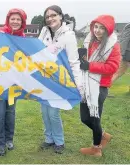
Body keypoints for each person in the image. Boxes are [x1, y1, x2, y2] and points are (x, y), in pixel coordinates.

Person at [38, 5, 83, 154]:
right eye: (47, 17)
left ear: (60, 16)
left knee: (53, 113)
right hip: (45, 79)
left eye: (53, 15)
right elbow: (38, 52)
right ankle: (48, 139)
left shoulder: (68, 35)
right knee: (44, 111)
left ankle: (59, 141)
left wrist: (79, 85)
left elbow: (73, 61)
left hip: (59, 80)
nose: (50, 19)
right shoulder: (44, 31)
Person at [79, 15, 121, 157]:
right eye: (96, 26)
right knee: (84, 118)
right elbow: (86, 61)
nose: (97, 30)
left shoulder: (112, 45)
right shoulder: (89, 40)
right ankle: (104, 135)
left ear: (108, 30)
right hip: (86, 85)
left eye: (102, 28)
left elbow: (112, 67)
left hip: (100, 86)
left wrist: (90, 65)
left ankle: (96, 149)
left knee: (94, 118)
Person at [0, 8, 27, 156]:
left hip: (14, 83)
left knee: (10, 112)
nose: (15, 22)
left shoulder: (24, 38)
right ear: (8, 19)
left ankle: (8, 139)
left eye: (18, 19)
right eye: (13, 19)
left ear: (22, 22)